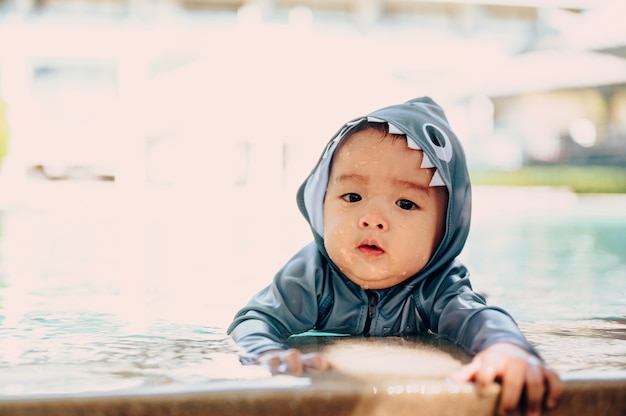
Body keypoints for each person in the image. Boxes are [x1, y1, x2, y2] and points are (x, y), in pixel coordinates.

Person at [227, 97, 561, 416]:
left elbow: (480, 319)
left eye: (405, 203)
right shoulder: (312, 275)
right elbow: (254, 320)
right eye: (353, 196)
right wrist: (266, 352)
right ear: (321, 203)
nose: (372, 218)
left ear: (445, 232)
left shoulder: (437, 286)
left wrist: (507, 349)